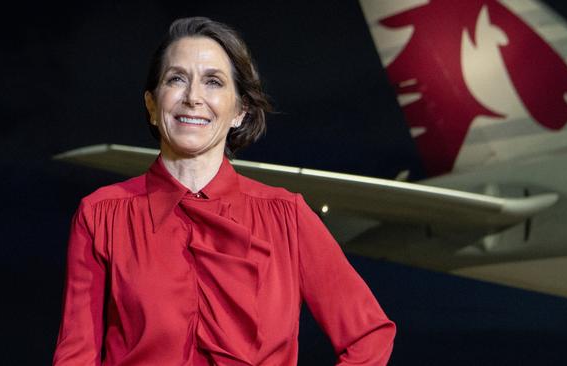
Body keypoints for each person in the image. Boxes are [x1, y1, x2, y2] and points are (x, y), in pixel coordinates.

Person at [52, 16, 396, 365]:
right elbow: (75, 357)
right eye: (176, 79)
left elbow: (369, 335)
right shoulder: (100, 216)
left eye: (213, 82)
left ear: (240, 111)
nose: (193, 97)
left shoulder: (287, 216)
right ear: (153, 106)